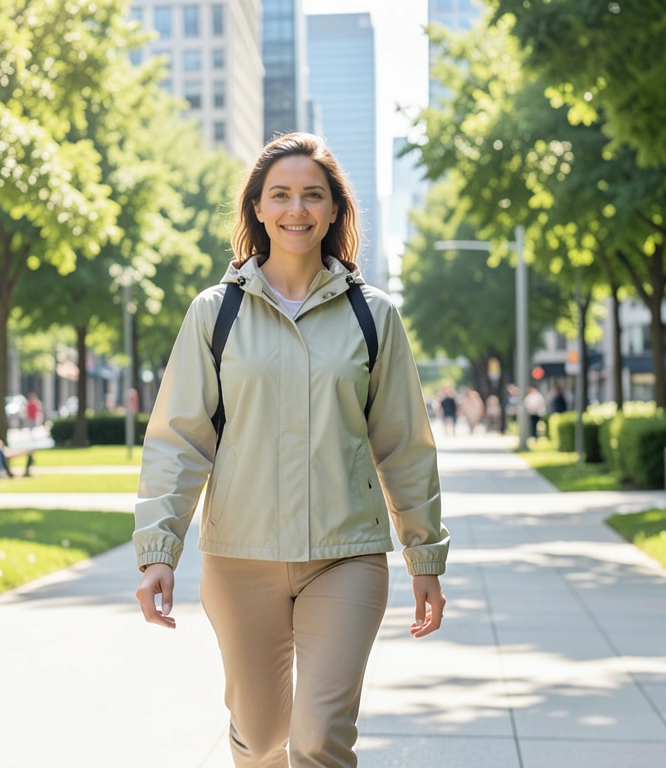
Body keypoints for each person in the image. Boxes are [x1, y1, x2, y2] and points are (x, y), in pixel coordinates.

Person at [133, 133, 449, 768]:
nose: (296, 209)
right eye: (280, 195)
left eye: (313, 195)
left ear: (335, 211)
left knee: (318, 741)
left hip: (346, 556)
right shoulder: (213, 314)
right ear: (256, 208)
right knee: (259, 739)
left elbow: (403, 445)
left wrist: (425, 556)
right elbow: (180, 440)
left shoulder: (374, 316)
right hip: (239, 556)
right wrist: (158, 550)